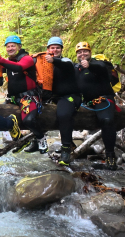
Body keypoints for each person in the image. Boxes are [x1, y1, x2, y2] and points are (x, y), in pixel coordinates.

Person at [0, 35, 44, 153]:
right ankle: (19, 139)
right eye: (8, 46)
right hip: (14, 98)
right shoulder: (8, 62)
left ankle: (41, 138)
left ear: (19, 47)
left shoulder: (27, 58)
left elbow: (19, 67)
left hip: (28, 96)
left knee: (28, 120)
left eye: (13, 46)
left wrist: (0, 60)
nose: (10, 48)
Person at [74, 41, 119, 170]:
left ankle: (110, 157)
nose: (82, 54)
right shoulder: (76, 69)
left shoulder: (99, 63)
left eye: (85, 51)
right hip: (86, 103)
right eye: (79, 52)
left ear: (90, 52)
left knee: (107, 120)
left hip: (103, 100)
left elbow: (100, 68)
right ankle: (68, 149)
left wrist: (89, 65)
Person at [44, 37, 81, 165]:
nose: (55, 50)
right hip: (54, 97)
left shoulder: (65, 61)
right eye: (52, 48)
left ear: (61, 50)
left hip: (70, 95)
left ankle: (66, 148)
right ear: (48, 49)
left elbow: (67, 66)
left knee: (63, 114)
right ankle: (36, 141)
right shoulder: (45, 64)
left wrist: (54, 60)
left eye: (57, 48)